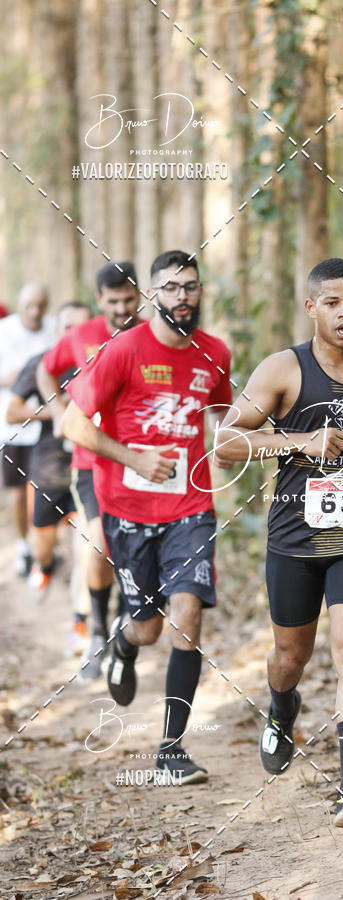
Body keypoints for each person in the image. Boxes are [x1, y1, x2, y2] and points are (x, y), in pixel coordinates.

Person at [216, 258, 343, 827]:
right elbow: (225, 442)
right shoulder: (283, 369)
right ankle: (280, 708)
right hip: (294, 537)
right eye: (332, 302)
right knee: (290, 657)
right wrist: (302, 441)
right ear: (311, 308)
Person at [62, 249, 233, 784]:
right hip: (128, 510)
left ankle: (172, 750)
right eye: (172, 287)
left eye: (192, 286)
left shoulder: (216, 354)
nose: (183, 296)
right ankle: (121, 642)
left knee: (188, 615)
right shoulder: (120, 351)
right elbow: (73, 424)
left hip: (191, 509)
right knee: (148, 628)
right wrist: (135, 457)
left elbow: (227, 423)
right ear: (152, 295)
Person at [38, 262, 142, 678]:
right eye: (113, 301)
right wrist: (57, 409)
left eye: (128, 300)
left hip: (142, 464)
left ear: (140, 297)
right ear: (99, 300)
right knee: (98, 544)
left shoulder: (152, 336)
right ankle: (97, 630)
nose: (121, 308)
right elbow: (47, 368)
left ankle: (121, 621)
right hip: (91, 461)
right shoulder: (80, 335)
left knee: (132, 553)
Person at [6, 301, 92, 646]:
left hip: (89, 467)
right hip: (49, 468)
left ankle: (83, 622)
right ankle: (43, 564)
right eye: (68, 326)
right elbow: (12, 413)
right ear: (57, 329)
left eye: (82, 327)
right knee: (44, 546)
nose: (74, 334)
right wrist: (58, 414)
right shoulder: (41, 363)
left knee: (89, 547)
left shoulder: (101, 359)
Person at [0, 283, 55, 576]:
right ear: (18, 306)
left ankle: (43, 547)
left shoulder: (55, 328)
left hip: (46, 426)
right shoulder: (3, 331)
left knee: (43, 489)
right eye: (29, 306)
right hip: (11, 427)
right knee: (18, 493)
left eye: (41, 306)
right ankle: (23, 545)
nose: (35, 312)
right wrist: (13, 379)